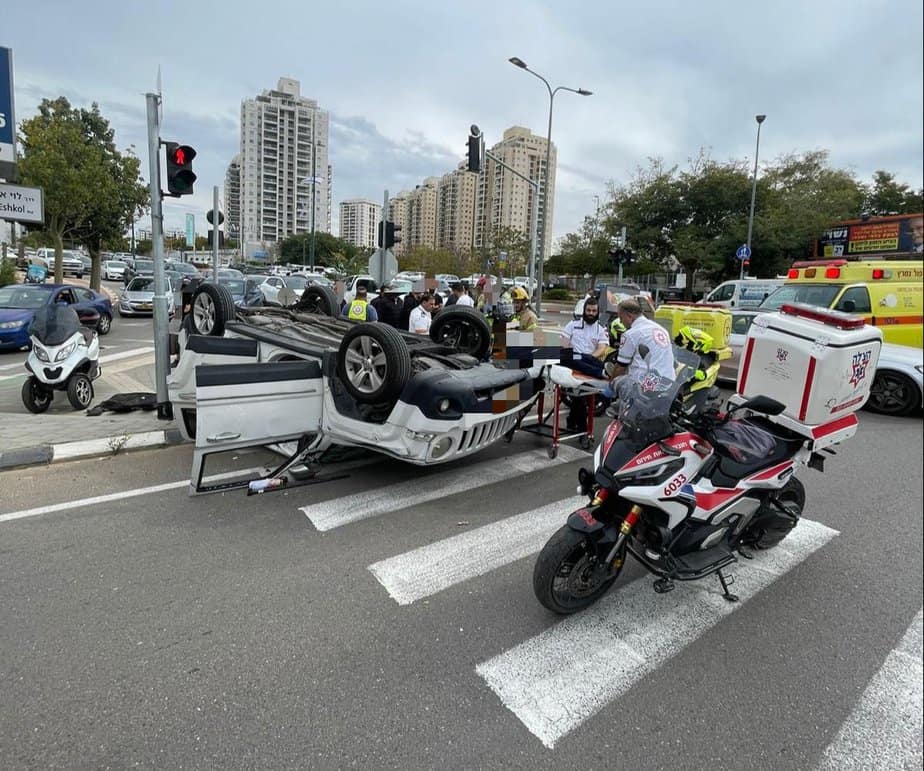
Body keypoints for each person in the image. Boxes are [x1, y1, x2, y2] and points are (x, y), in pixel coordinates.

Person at [560, 297, 610, 431]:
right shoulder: (572, 325)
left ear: (598, 312)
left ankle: (572, 422)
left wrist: (589, 357)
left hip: (589, 361)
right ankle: (583, 430)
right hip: (572, 362)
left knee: (579, 398)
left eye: (594, 311)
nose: (591, 313)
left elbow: (602, 348)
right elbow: (563, 345)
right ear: (584, 310)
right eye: (588, 310)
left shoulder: (600, 329)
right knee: (569, 356)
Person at [605, 298, 675, 385]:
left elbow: (620, 367)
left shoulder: (631, 334)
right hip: (668, 384)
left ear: (629, 316)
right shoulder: (662, 330)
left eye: (621, 318)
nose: (620, 321)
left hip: (644, 388)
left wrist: (611, 386)